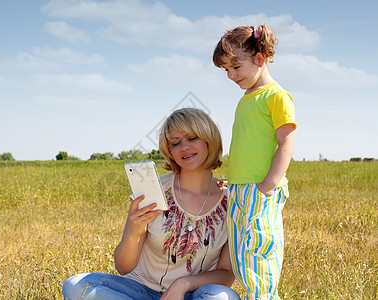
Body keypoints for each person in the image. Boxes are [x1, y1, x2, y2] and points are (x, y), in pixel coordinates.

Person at [62, 108, 240, 300]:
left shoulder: (232, 201)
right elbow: (123, 267)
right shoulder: (152, 191)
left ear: (209, 140)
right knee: (75, 286)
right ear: (169, 150)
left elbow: (226, 273)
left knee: (223, 297)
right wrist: (133, 231)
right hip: (138, 292)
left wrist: (184, 284)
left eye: (193, 138)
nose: (184, 147)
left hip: (192, 295)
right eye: (175, 143)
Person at [212, 24, 297, 300]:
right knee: (240, 253)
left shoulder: (276, 96)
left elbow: (286, 141)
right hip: (240, 187)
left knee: (258, 250)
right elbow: (248, 146)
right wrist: (233, 177)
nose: (231, 75)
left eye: (236, 67)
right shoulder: (246, 98)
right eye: (226, 70)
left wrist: (269, 184)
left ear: (260, 60)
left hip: (260, 189)